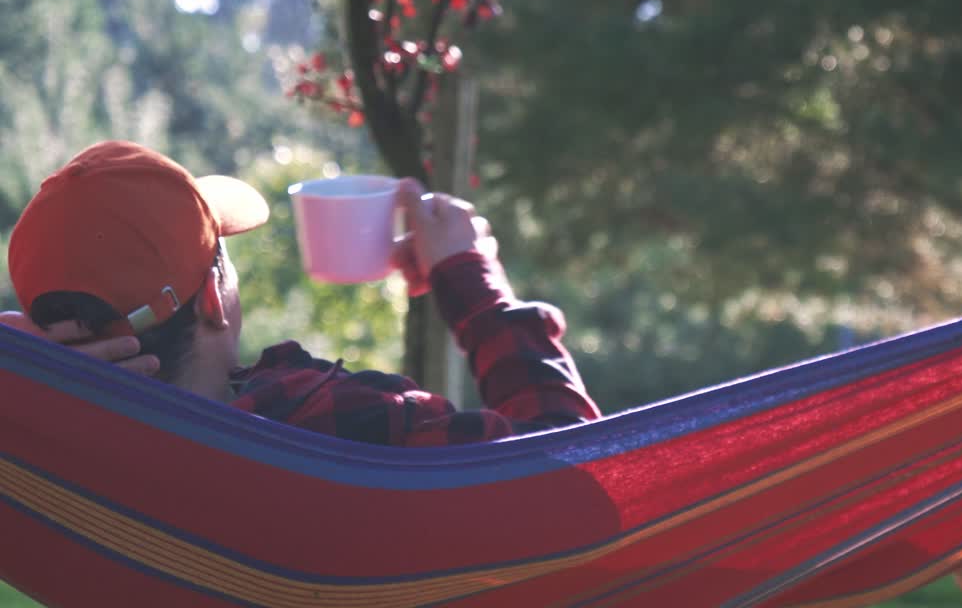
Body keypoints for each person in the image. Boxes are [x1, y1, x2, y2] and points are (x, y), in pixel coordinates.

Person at [2, 140, 600, 446]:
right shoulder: (327, 423)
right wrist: (474, 284)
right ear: (214, 297)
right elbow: (574, 471)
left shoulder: (49, 460)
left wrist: (35, 375)